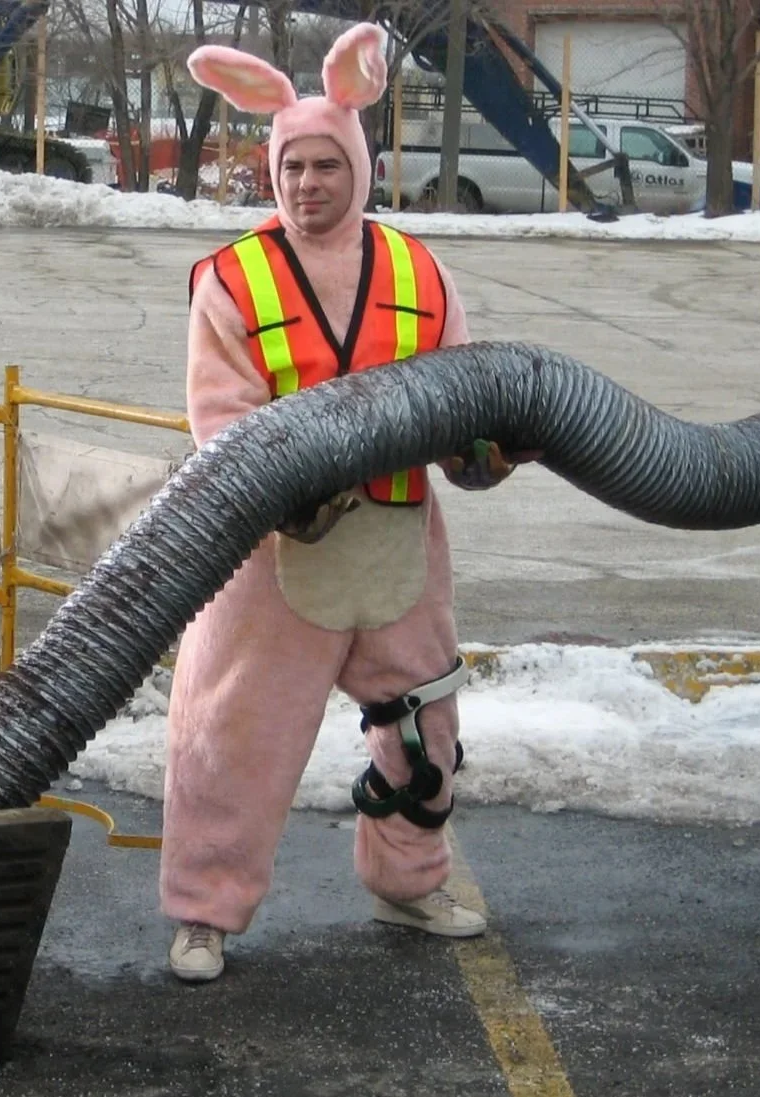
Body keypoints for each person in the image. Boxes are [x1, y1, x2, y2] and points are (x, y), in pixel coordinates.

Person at [159, 22, 539, 983]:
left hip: (399, 542)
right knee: (230, 736)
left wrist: (486, 453)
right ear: (270, 170)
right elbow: (220, 413)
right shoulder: (230, 278)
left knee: (422, 725)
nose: (307, 185)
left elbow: (463, 399)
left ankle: (407, 881)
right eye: (292, 167)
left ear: (358, 168)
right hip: (274, 553)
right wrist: (291, 490)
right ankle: (204, 913)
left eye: (327, 165)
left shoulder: (420, 271)